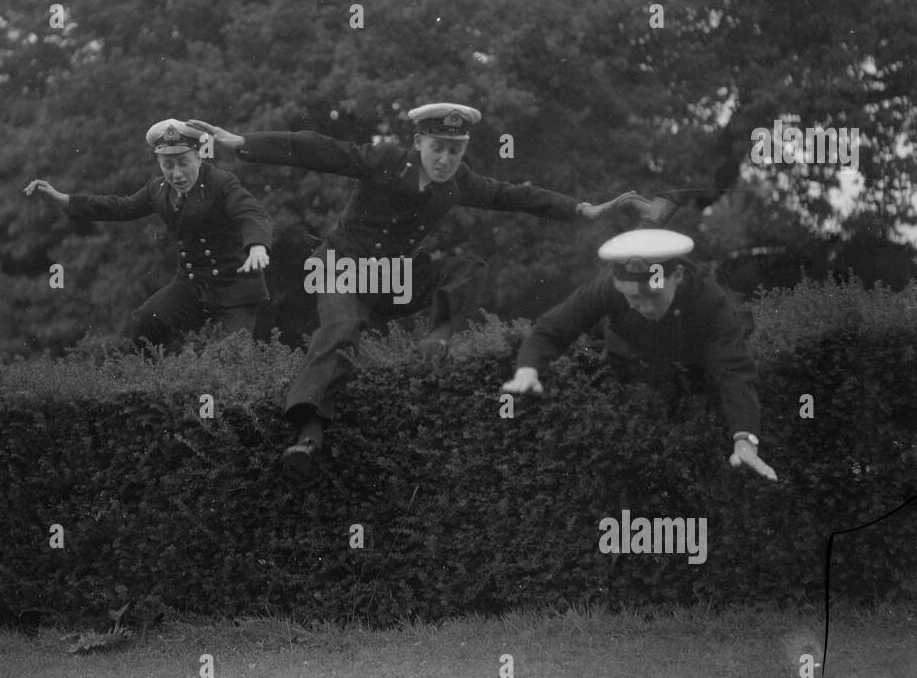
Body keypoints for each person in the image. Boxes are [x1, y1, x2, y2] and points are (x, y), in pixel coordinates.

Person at [188, 103, 663, 474]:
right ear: (418, 143)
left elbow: (512, 195)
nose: (446, 160)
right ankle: (307, 433)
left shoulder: (457, 182)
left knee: (468, 265)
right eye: (438, 148)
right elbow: (318, 149)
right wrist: (244, 143)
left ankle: (438, 336)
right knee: (344, 329)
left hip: (396, 280)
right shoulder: (385, 160)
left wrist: (582, 210)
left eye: (455, 151)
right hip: (343, 270)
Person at [501, 228, 777, 480]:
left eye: (653, 296)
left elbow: (735, 372)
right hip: (635, 361)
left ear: (677, 276)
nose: (644, 307)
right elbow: (552, 329)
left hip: (696, 360)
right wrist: (527, 369)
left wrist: (744, 439)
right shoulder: (607, 287)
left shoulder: (709, 300)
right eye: (633, 299)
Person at [23, 119, 272, 349]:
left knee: (231, 354)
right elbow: (119, 206)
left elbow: (250, 213)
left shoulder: (221, 182)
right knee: (146, 322)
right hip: (192, 284)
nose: (177, 174)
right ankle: (146, 387)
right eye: (168, 165)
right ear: (159, 164)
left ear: (198, 157)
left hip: (235, 287)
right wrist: (64, 200)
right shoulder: (158, 189)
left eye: (183, 163)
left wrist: (257, 246)